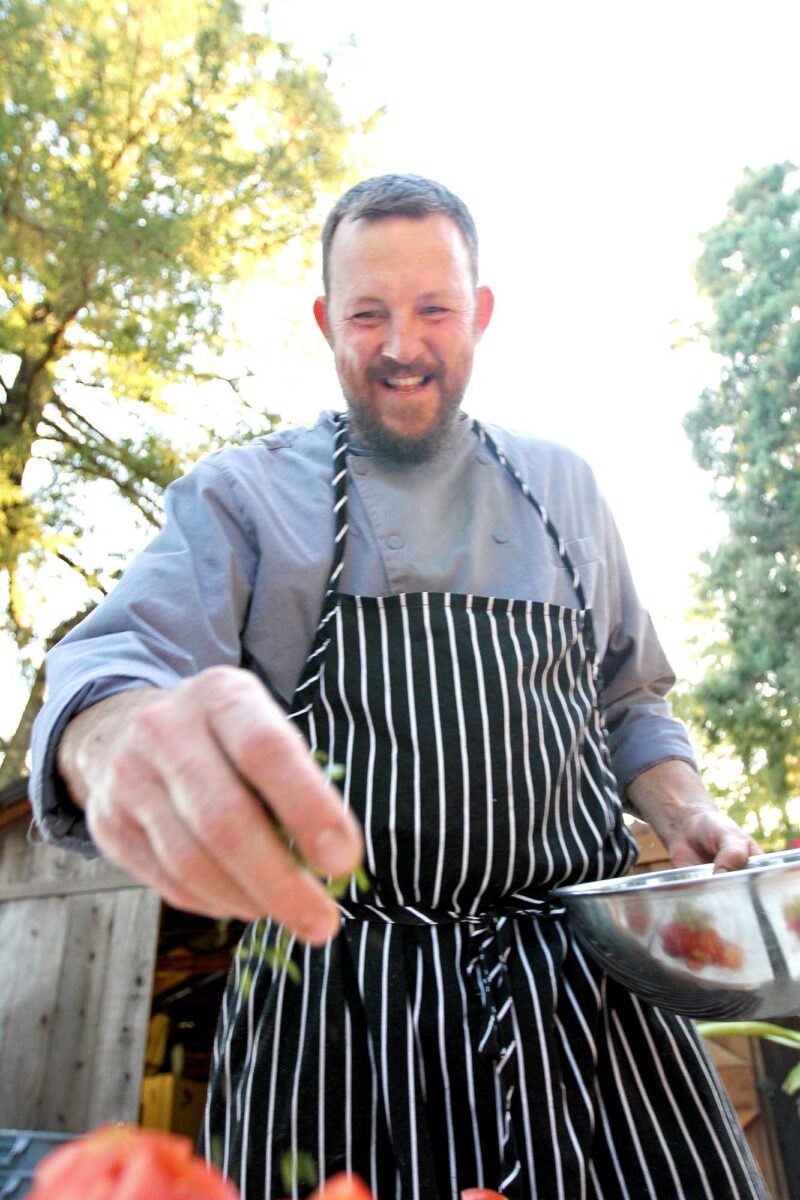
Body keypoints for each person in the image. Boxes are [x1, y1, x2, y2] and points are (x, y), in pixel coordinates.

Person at [30, 175, 768, 1200]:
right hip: (336, 1022)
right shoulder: (243, 499)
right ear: (327, 320)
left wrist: (685, 812)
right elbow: (113, 666)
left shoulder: (564, 489)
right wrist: (111, 739)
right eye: (368, 314)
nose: (401, 346)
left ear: (482, 315)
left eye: (433, 310)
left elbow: (629, 702)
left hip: (590, 1010)